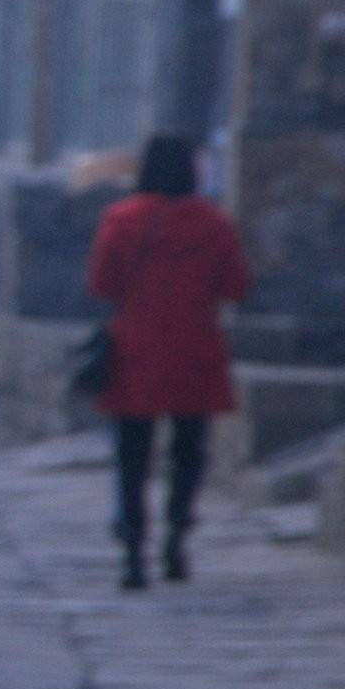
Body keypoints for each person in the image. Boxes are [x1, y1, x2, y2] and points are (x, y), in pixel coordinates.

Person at [86, 131, 250, 592]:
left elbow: (102, 284)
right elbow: (236, 287)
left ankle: (133, 548)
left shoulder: (120, 220)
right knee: (188, 452)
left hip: (136, 350)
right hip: (195, 351)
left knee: (132, 455)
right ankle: (177, 534)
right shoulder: (214, 224)